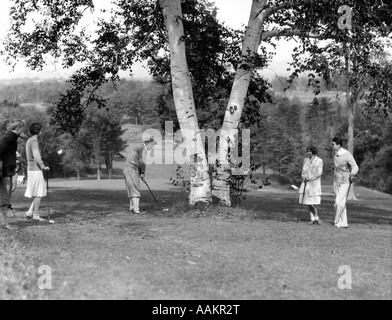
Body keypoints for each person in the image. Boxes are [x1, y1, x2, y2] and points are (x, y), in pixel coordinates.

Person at [0, 119, 26, 230]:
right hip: (5, 171)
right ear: (18, 129)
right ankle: (4, 223)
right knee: (5, 198)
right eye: (22, 130)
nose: (22, 132)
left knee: (6, 197)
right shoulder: (9, 137)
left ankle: (3, 222)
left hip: (8, 170)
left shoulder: (11, 138)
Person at [123, 136, 156, 214]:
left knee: (131, 189)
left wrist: (141, 173)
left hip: (127, 168)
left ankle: (132, 208)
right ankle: (136, 210)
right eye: (152, 145)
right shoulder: (142, 148)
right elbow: (142, 162)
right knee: (135, 188)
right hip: (132, 169)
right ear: (148, 143)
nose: (152, 148)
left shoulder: (138, 147)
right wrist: (143, 173)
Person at [25, 123, 50, 222]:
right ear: (37, 131)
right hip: (35, 170)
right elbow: (36, 156)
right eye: (41, 130)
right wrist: (43, 166)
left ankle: (29, 212)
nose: (42, 131)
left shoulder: (29, 140)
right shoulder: (34, 141)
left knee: (36, 193)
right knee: (39, 193)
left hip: (31, 170)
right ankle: (35, 215)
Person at [332, 136, 359, 229]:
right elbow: (337, 164)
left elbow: (355, 166)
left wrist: (352, 174)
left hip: (345, 181)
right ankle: (344, 223)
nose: (332, 146)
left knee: (338, 202)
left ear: (339, 145)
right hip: (336, 181)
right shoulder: (334, 153)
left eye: (333, 144)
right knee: (342, 202)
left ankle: (336, 221)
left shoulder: (347, 154)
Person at [299, 145, 323, 225]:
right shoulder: (305, 160)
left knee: (313, 203)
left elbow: (319, 172)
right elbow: (303, 171)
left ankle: (317, 217)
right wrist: (304, 177)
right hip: (306, 183)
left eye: (309, 151)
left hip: (314, 184)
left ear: (313, 151)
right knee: (308, 203)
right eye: (308, 151)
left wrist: (311, 178)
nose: (308, 153)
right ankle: (312, 219)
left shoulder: (319, 160)